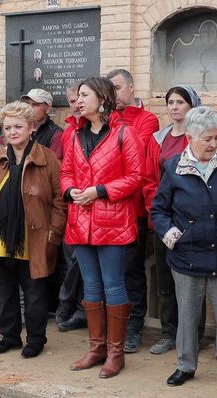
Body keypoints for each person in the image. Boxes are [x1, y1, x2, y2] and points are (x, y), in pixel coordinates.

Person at [150, 107, 217, 393]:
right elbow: (159, 210)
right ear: (189, 138)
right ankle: (185, 365)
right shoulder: (173, 167)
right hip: (186, 253)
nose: (214, 144)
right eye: (207, 139)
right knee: (186, 313)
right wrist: (172, 236)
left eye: (216, 138)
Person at [0, 101, 66, 358]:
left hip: (33, 239)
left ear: (31, 127)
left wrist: (54, 234)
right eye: (7, 127)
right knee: (4, 293)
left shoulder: (47, 158)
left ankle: (35, 339)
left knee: (34, 294)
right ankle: (9, 337)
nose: (12, 132)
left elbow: (58, 200)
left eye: (18, 126)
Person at [62, 76, 143, 378]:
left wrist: (99, 190)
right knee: (91, 286)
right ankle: (96, 348)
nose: (79, 101)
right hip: (80, 220)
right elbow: (66, 171)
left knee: (113, 285)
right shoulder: (73, 135)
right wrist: (71, 191)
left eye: (85, 95)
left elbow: (136, 177)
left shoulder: (125, 133)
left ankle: (115, 353)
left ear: (103, 98)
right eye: (78, 96)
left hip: (114, 221)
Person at [107, 68, 159, 354]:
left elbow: (133, 153)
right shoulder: (109, 118)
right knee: (110, 272)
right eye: (109, 89)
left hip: (134, 208)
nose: (113, 94)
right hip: (108, 207)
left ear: (131, 87)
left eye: (116, 88)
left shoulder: (147, 119)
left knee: (132, 271)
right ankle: (112, 326)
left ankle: (134, 328)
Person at [147, 84, 201, 356]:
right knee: (166, 280)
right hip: (164, 218)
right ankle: (169, 333)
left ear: (192, 106)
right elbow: (149, 178)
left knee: (193, 279)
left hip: (191, 220)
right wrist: (156, 212)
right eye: (170, 102)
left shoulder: (201, 137)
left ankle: (193, 335)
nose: (175, 107)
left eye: (181, 102)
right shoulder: (159, 138)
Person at [55, 80, 88, 332]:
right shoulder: (68, 131)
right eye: (71, 101)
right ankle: (76, 307)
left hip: (92, 203)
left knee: (81, 260)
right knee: (72, 259)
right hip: (71, 203)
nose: (76, 105)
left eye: (80, 98)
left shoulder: (98, 130)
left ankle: (70, 305)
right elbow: (67, 168)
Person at [21, 88, 63, 159]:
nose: (29, 108)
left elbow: (54, 165)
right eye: (27, 104)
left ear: (48, 109)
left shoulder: (56, 134)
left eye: (35, 104)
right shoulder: (20, 129)